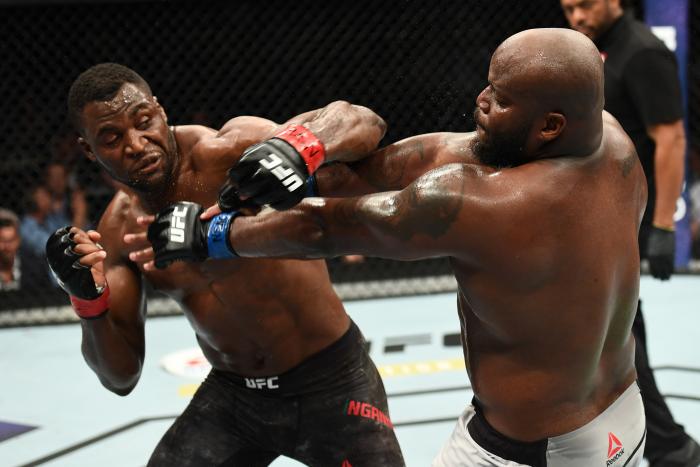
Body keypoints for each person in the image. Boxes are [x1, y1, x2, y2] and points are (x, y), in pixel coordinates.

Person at [140, 28, 649, 466]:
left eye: (501, 96)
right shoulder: (611, 142)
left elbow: (327, 230)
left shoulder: (490, 203)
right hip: (620, 418)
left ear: (550, 125)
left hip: (533, 449)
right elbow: (419, 157)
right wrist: (306, 151)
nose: (481, 99)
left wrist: (211, 237)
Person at [45, 63, 404, 466]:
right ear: (89, 150)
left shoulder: (229, 151)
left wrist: (298, 149)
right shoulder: (120, 232)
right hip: (237, 398)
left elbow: (364, 121)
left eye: (143, 121)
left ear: (161, 112)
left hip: (333, 381)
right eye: (111, 138)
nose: (136, 144)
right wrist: (86, 302)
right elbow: (120, 378)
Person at [560, 1, 700, 465]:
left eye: (584, 5)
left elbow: (672, 137)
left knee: (616, 336)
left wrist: (662, 225)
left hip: (628, 216)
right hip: (602, 215)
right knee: (605, 336)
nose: (576, 16)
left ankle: (668, 446)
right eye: (567, 8)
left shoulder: (641, 51)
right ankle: (662, 443)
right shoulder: (596, 50)